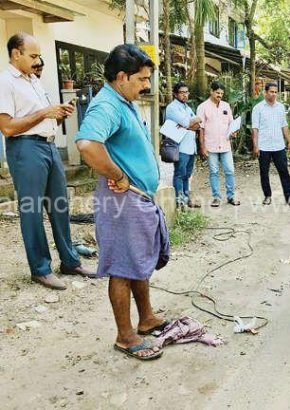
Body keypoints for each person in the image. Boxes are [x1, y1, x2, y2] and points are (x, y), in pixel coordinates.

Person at [76, 44, 168, 361]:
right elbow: (87, 146)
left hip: (137, 199)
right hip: (122, 201)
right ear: (121, 76)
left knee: (137, 262)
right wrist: (118, 174)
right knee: (122, 268)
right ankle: (125, 336)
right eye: (142, 79)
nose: (146, 85)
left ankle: (145, 319)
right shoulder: (107, 106)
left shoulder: (122, 100)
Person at [0, 33, 95, 290]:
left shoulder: (33, 81)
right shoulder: (5, 82)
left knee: (60, 206)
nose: (37, 60)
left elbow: (42, 119)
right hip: (25, 149)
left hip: (49, 146)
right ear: (15, 54)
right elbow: (7, 127)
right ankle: (40, 269)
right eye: (32, 56)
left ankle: (69, 261)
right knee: (31, 210)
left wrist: (59, 114)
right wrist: (44, 111)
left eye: (39, 55)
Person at [197, 81, 240, 207]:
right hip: (210, 145)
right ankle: (216, 197)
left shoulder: (226, 106)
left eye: (221, 93)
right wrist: (202, 147)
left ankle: (231, 196)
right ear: (211, 91)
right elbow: (201, 129)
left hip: (226, 144)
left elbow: (231, 124)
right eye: (217, 93)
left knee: (230, 171)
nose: (219, 95)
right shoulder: (203, 107)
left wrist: (233, 133)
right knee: (214, 172)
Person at [251, 82, 290, 206]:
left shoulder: (280, 107)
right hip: (263, 146)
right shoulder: (258, 108)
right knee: (264, 172)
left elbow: (284, 125)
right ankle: (267, 196)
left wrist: (289, 140)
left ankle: (289, 197)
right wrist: (255, 145)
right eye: (271, 92)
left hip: (279, 145)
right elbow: (255, 128)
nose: (274, 94)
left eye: (276, 92)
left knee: (284, 171)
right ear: (266, 92)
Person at [165, 82, 201, 209]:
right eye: (182, 92)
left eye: (186, 92)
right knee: (180, 174)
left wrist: (190, 124)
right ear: (175, 94)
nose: (185, 95)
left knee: (187, 174)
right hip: (180, 147)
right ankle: (180, 201)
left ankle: (186, 199)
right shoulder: (172, 108)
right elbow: (187, 122)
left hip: (191, 147)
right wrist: (190, 123)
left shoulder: (187, 107)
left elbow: (197, 125)